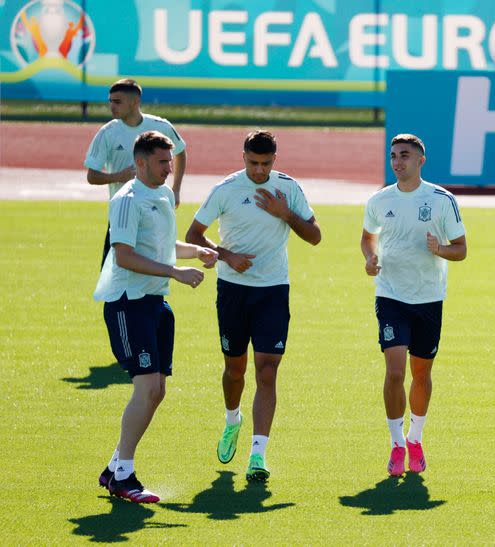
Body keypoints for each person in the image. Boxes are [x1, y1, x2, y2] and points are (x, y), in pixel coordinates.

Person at [185, 130, 321, 482]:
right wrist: (226, 255)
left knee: (267, 370)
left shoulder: (288, 189)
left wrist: (285, 213)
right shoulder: (226, 190)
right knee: (235, 370)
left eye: (265, 164)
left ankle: (258, 454)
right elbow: (193, 235)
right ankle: (233, 420)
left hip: (273, 290)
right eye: (252, 163)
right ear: (242, 156)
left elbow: (314, 235)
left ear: (275, 160)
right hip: (233, 291)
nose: (259, 170)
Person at [94, 131, 218, 503]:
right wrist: (176, 272)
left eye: (169, 161)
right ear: (142, 162)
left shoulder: (163, 195)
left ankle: (115, 466)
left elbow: (163, 246)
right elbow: (124, 256)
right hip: (128, 302)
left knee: (157, 390)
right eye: (163, 162)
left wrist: (195, 251)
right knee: (147, 387)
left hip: (155, 302)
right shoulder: (127, 200)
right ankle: (124, 476)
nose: (170, 168)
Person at [360, 133, 467, 476]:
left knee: (421, 373)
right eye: (393, 155)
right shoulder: (380, 200)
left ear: (421, 160)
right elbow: (367, 237)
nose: (397, 161)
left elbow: (461, 249)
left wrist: (440, 249)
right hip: (390, 294)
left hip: (428, 298)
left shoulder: (441, 200)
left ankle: (415, 438)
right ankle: (396, 445)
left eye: (404, 155)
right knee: (394, 371)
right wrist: (370, 258)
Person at [85, 78, 187, 266]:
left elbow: (180, 151)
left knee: (156, 266)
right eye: (110, 101)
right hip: (122, 214)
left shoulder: (161, 126)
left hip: (155, 211)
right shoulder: (107, 132)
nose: (111, 106)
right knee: (113, 273)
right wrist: (118, 176)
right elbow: (92, 176)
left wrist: (177, 189)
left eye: (117, 102)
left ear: (134, 102)